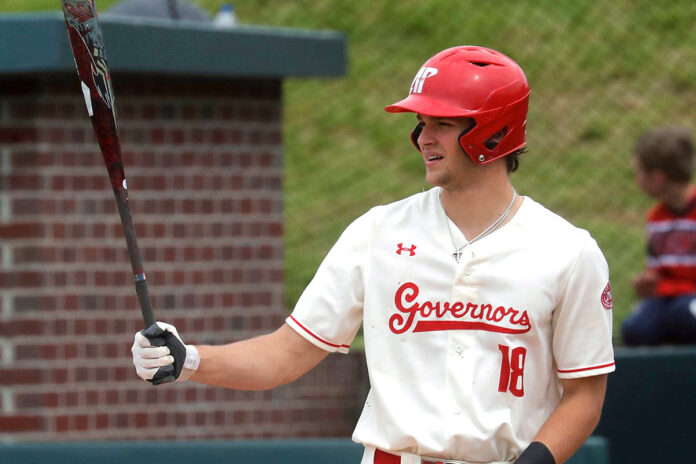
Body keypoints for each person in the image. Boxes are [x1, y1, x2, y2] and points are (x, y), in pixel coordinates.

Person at [132, 46, 615, 464]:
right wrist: (190, 358)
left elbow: (585, 396)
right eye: (421, 123)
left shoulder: (569, 252)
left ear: (493, 133)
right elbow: (286, 354)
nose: (423, 138)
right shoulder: (379, 231)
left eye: (442, 125)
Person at [622, 126, 696, 346]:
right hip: (668, 299)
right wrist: (649, 284)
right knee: (635, 329)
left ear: (657, 178)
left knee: (684, 315)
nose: (637, 180)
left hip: (688, 301)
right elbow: (658, 271)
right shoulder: (656, 218)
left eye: (639, 173)